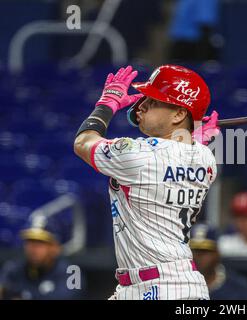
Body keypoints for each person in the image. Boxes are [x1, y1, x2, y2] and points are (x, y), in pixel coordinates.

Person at [73, 65, 219, 300]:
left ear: (179, 114)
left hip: (161, 287)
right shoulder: (206, 157)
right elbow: (182, 153)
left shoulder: (139, 154)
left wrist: (107, 104)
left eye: (153, 101)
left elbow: (83, 142)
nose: (141, 106)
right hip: (157, 285)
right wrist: (192, 139)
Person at [0, 215, 84, 300]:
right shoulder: (13, 269)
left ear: (55, 247)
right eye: (30, 241)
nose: (33, 248)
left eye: (40, 243)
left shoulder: (72, 273)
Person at [190, 223, 247, 300]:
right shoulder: (180, 284)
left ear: (217, 253)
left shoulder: (240, 287)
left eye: (204, 251)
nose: (198, 256)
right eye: (194, 251)